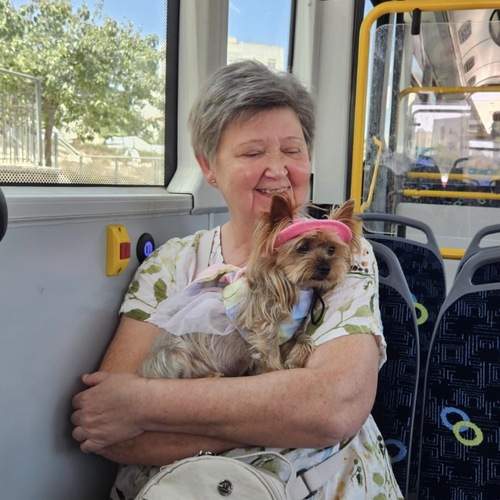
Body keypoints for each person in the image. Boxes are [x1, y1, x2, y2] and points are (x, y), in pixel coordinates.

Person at [71, 60, 403, 499]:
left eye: (293, 150)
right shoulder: (171, 264)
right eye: (252, 153)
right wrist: (278, 414)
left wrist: (145, 404)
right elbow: (107, 423)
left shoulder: (344, 253)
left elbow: (333, 406)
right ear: (208, 167)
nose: (278, 169)